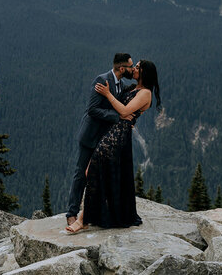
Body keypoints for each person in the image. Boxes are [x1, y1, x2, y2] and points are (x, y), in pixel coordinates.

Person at [66, 59, 161, 233]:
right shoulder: (134, 88)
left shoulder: (145, 93)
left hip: (118, 136)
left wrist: (108, 94)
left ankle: (82, 219)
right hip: (111, 132)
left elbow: (125, 111)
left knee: (93, 171)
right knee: (93, 171)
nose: (134, 69)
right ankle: (90, 215)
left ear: (144, 73)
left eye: (138, 67)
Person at [65, 53, 136, 229]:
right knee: (81, 173)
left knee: (98, 176)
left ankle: (94, 213)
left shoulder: (121, 85)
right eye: (130, 66)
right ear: (121, 68)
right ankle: (72, 213)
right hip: (91, 135)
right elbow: (92, 109)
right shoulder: (102, 80)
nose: (132, 69)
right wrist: (117, 117)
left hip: (105, 139)